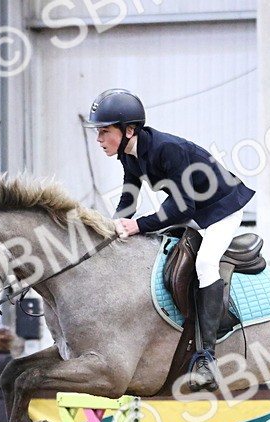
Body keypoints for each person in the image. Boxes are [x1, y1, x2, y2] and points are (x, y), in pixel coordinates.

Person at [82, 88, 255, 391]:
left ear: (128, 130)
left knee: (205, 264)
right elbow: (129, 196)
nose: (99, 139)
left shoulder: (167, 149)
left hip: (221, 208)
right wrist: (111, 227)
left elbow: (181, 208)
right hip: (194, 209)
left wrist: (138, 225)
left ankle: (207, 358)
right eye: (98, 132)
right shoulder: (129, 155)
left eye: (104, 131)